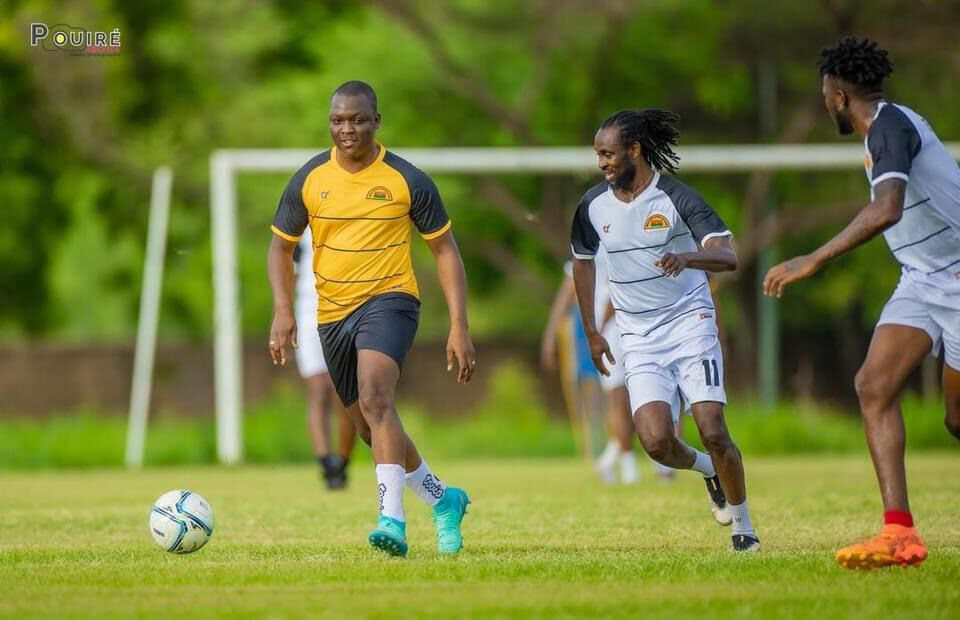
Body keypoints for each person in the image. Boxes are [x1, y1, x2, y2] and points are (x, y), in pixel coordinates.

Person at [764, 37, 960, 569]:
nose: (825, 101)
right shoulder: (879, 131)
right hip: (922, 279)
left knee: (957, 421)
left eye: (825, 93)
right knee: (873, 385)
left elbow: (887, 209)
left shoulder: (892, 128)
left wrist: (815, 258)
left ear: (838, 95)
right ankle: (900, 534)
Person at [267, 81, 476, 557]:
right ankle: (445, 501)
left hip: (391, 301)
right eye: (338, 120)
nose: (347, 129)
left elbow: (445, 250)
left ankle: (392, 522)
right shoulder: (309, 179)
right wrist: (283, 310)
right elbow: (280, 247)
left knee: (377, 396)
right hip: (331, 314)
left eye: (358, 119)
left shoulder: (408, 180)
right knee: (366, 426)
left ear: (376, 121)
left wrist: (459, 325)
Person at [571, 109, 760, 552]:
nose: (602, 163)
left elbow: (727, 255)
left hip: (688, 321)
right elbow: (582, 265)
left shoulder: (676, 197)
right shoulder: (592, 206)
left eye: (608, 154)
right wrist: (592, 333)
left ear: (634, 150)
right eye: (598, 154)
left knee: (713, 427)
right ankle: (708, 471)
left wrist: (689, 258)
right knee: (656, 441)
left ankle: (743, 527)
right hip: (637, 335)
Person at [293, 227, 358, 489]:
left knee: (343, 393)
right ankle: (325, 462)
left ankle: (342, 460)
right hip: (308, 313)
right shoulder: (300, 225)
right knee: (317, 389)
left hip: (344, 310)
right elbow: (290, 270)